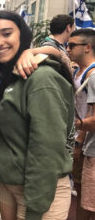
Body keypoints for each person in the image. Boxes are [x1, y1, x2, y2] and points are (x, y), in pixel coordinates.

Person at [0, 10, 74, 220]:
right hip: (8, 187)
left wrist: (35, 208)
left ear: (22, 35)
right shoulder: (8, 74)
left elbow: (46, 150)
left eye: (6, 34)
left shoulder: (41, 78)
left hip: (39, 194)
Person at [68, 28, 95, 220]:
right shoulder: (78, 71)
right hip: (82, 144)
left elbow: (92, 117)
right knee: (80, 192)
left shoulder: (92, 76)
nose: (67, 49)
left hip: (87, 146)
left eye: (72, 45)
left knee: (88, 200)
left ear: (87, 47)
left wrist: (77, 138)